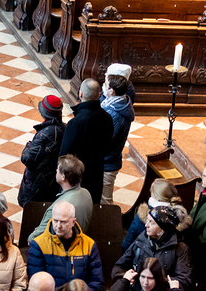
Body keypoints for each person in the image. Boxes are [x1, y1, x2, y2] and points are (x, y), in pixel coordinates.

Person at [111, 206, 192, 291]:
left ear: (162, 228)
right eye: (147, 220)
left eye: (151, 222)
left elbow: (184, 280)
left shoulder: (180, 248)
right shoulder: (141, 240)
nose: (146, 225)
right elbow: (118, 267)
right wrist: (127, 279)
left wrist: (155, 282)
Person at [27, 201, 103, 291]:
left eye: (63, 222)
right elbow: (38, 283)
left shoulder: (89, 244)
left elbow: (96, 281)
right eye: (55, 220)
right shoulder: (39, 244)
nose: (58, 226)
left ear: (73, 222)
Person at [60, 79, 114, 204]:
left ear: (81, 94)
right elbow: (107, 146)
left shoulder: (75, 123)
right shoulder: (107, 118)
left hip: (75, 177)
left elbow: (64, 154)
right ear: (99, 95)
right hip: (96, 173)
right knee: (91, 206)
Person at [27, 155, 94, 243]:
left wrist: (32, 235)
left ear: (63, 177)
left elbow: (33, 240)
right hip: (80, 244)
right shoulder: (86, 194)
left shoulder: (58, 208)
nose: (56, 171)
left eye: (58, 169)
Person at [19, 95, 66, 207]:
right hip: (54, 181)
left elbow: (27, 158)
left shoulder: (44, 134)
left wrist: (28, 146)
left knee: (33, 212)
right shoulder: (65, 128)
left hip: (39, 183)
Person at [100, 74, 134, 205]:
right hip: (106, 160)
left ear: (112, 91)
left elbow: (105, 141)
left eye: (106, 85)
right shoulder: (117, 103)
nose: (103, 87)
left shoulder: (115, 114)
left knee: (105, 202)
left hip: (108, 162)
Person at [122, 180, 184, 251]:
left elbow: (128, 243)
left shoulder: (142, 216)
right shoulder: (180, 217)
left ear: (155, 199)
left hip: (145, 255)